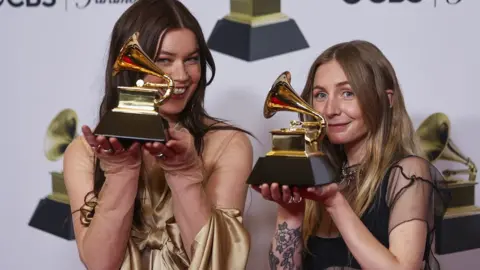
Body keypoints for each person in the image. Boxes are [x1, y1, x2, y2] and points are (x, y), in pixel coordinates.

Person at [63, 0, 254, 269]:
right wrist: (121, 174)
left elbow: (217, 263)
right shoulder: (83, 153)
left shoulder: (228, 143)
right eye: (164, 60)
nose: (181, 75)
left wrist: (184, 174)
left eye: (192, 59)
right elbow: (100, 263)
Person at [254, 40, 450, 270]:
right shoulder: (322, 173)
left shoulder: (408, 173)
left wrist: (334, 202)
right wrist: (290, 212)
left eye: (348, 93)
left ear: (387, 99)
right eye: (320, 95)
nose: (330, 110)